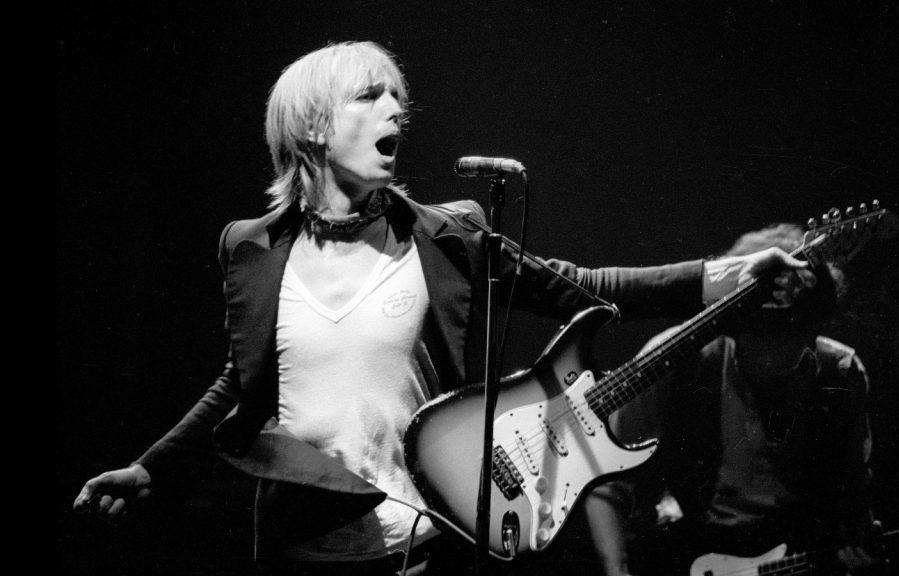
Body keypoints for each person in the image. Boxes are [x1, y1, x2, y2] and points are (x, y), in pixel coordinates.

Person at [72, 41, 806, 576]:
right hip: (301, 541)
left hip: (425, 539)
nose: (395, 109)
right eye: (369, 96)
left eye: (397, 98)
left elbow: (585, 286)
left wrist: (724, 275)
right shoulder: (251, 247)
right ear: (314, 127)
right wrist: (151, 469)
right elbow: (242, 381)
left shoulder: (445, 235)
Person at [585, 223, 883, 576]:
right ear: (734, 327)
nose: (779, 355)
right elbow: (606, 483)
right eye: (764, 336)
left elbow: (854, 496)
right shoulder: (675, 358)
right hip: (690, 555)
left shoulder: (842, 372)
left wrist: (858, 547)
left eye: (796, 335)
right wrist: (617, 571)